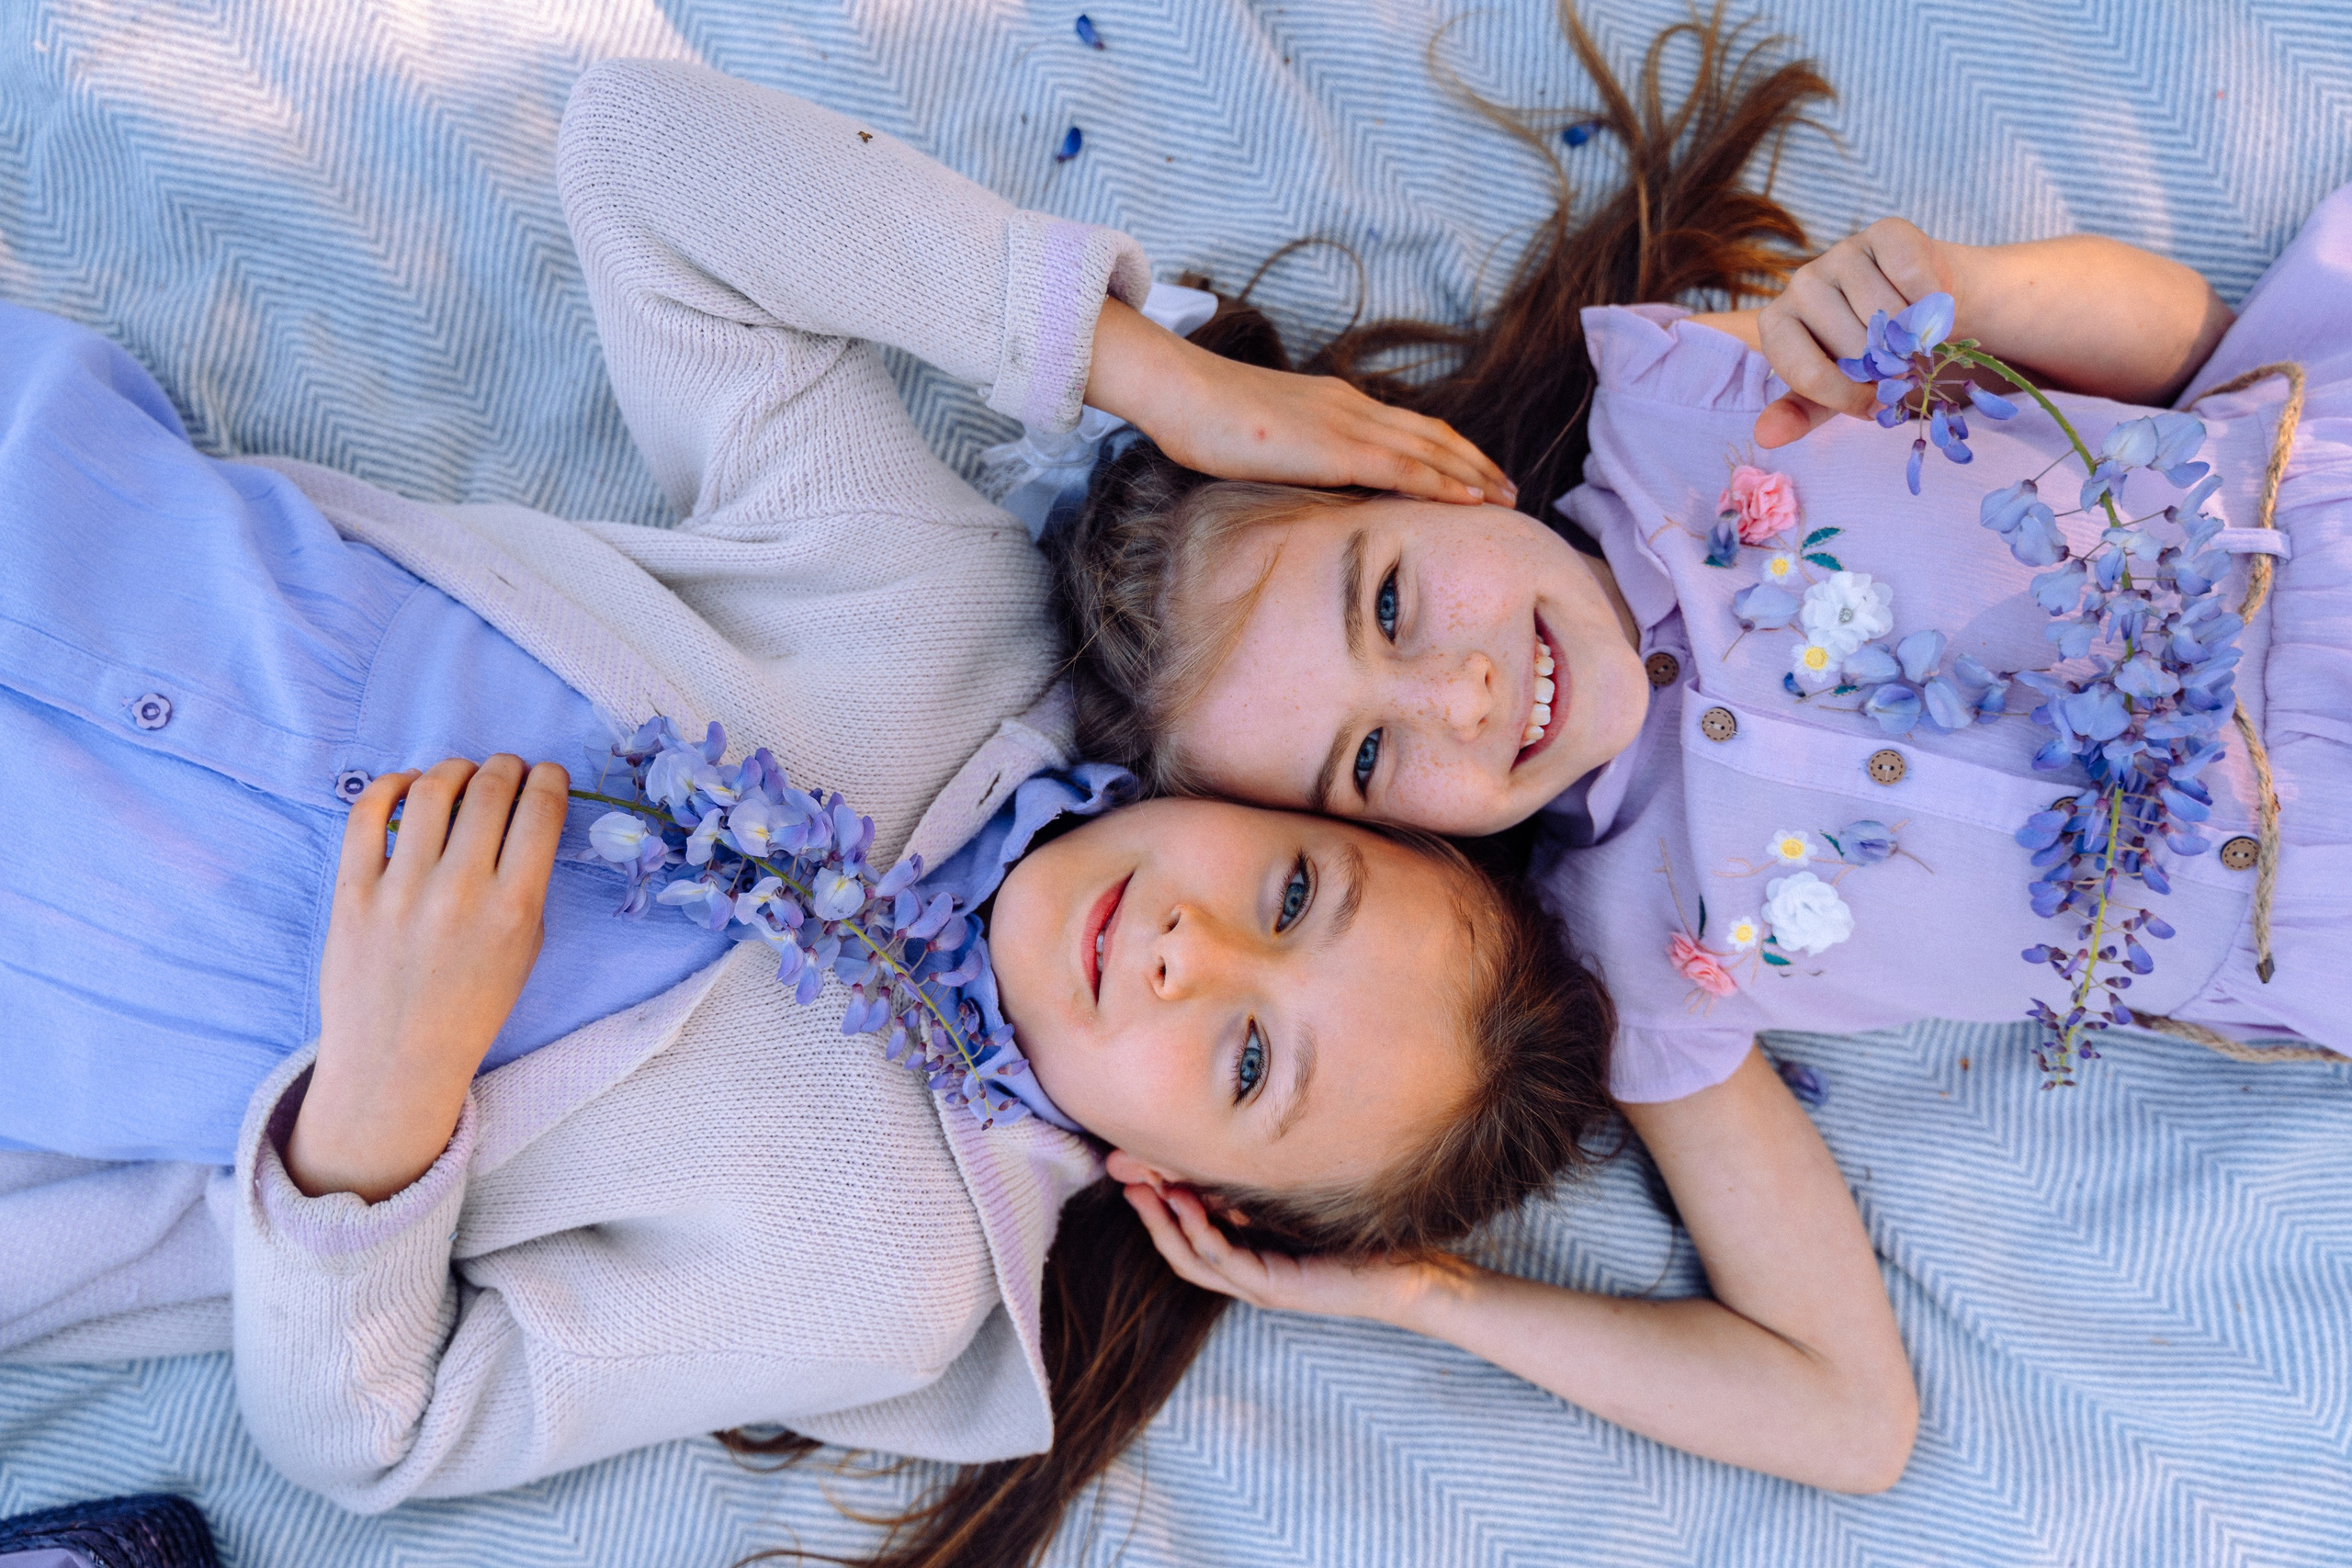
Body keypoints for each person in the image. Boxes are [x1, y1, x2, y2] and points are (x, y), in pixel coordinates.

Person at [0, 49, 1914, 1563]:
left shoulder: (878, 1268)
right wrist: (1148, 373)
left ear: (1190, 1196)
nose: (1185, 947)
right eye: (1295, 884)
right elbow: (644, 160)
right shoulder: (932, 611)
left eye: (1245, 1059)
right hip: (62, 525)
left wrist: (383, 1109)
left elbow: (380, 1431)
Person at [1047, 0, 2348, 1326]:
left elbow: (2197, 354)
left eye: (1389, 604)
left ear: (1420, 472)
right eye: (1373, 761)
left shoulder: (1684, 406)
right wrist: (1425, 1298)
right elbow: (1838, 1410)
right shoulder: (1631, 954)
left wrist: (1972, 287)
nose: (1462, 695)